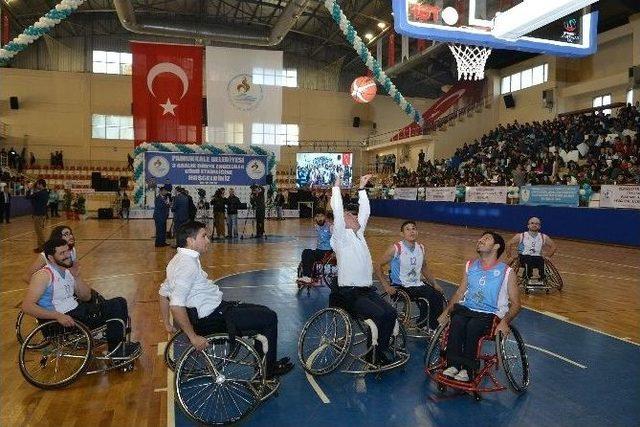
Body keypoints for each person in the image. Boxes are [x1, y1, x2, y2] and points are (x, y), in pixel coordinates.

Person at [159, 221, 294, 378]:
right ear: (190, 240)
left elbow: (163, 293)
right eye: (204, 236)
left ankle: (265, 365)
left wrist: (167, 324)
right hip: (214, 319)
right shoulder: (187, 264)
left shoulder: (177, 260)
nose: (208, 240)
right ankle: (267, 372)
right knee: (270, 317)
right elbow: (176, 306)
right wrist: (193, 337)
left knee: (264, 311)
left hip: (217, 311)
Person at [21, 238, 140, 356]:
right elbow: (27, 306)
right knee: (115, 307)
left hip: (77, 312)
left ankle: (118, 347)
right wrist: (57, 316)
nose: (67, 255)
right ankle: (117, 351)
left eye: (67, 251)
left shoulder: (67, 271)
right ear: (51, 258)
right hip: (61, 321)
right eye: (62, 253)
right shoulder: (43, 275)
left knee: (119, 302)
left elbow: (86, 296)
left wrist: (77, 276)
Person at [329, 173, 398, 364]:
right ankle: (373, 355)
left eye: (353, 214)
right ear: (341, 224)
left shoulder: (359, 234)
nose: (353, 216)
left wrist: (361, 189)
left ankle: (379, 351)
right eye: (349, 215)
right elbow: (337, 212)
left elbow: (365, 211)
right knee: (380, 315)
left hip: (367, 290)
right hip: (350, 293)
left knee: (391, 313)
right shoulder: (340, 238)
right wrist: (336, 188)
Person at [437, 231, 520, 382]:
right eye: (481, 238)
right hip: (468, 309)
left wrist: (504, 322)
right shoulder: (470, 265)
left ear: (496, 247)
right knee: (457, 321)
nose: (480, 240)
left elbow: (516, 304)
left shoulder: (507, 272)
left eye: (486, 239)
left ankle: (469, 369)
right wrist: (446, 312)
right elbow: (460, 292)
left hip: (490, 313)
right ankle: (453, 365)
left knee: (473, 326)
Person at [375, 220, 445, 330]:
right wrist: (386, 286)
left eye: (413, 228)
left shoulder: (421, 248)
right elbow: (377, 265)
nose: (411, 231)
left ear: (417, 232)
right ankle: (429, 326)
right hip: (400, 287)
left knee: (437, 294)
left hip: (416, 285)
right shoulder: (396, 248)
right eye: (408, 229)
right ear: (402, 234)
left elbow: (424, 267)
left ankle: (428, 325)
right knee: (428, 295)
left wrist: (434, 284)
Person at [297, 210, 333, 286]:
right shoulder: (317, 226)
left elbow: (337, 239)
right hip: (319, 251)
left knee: (308, 253)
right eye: (317, 216)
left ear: (325, 217)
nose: (319, 218)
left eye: (321, 216)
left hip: (328, 252)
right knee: (306, 251)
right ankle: (307, 276)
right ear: (315, 218)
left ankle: (307, 276)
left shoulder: (330, 227)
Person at [26, 179, 49, 252]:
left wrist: (29, 188)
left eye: (38, 184)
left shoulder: (41, 193)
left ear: (41, 184)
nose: (37, 185)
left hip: (38, 215)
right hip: (41, 214)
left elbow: (28, 197)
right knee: (39, 231)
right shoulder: (45, 192)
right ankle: (40, 247)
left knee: (39, 232)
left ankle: (42, 247)